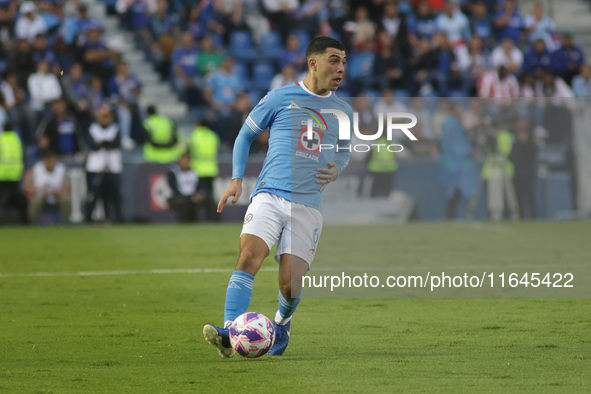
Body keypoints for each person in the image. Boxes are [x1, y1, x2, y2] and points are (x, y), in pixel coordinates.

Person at [203, 36, 351, 358]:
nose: (341, 68)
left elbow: (344, 149)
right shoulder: (280, 97)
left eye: (343, 62)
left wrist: (337, 167)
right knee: (249, 257)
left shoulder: (342, 110)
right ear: (313, 63)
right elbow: (245, 135)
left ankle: (282, 322)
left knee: (289, 283)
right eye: (334, 60)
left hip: (308, 204)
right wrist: (236, 179)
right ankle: (229, 333)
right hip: (269, 194)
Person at [84, 104, 123, 223]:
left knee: (114, 195)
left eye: (108, 116)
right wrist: (104, 143)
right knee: (93, 194)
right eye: (103, 116)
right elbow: (91, 145)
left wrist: (101, 143)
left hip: (112, 167)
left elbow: (115, 143)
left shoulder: (115, 128)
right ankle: (88, 218)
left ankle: (117, 218)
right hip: (95, 167)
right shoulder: (92, 129)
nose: (106, 118)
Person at [25, 150, 71, 223]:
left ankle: (64, 223)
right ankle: (33, 223)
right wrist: (40, 191)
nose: (52, 163)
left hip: (57, 195)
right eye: (49, 160)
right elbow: (27, 186)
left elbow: (67, 189)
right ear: (45, 160)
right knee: (36, 201)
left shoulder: (62, 169)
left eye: (54, 160)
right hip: (40, 195)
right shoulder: (36, 169)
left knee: (65, 200)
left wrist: (54, 192)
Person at [189, 119, 219, 221]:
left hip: (198, 169)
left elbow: (188, 150)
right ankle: (213, 217)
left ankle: (196, 218)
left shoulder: (194, 135)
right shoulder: (213, 136)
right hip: (211, 169)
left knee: (199, 195)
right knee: (210, 194)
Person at [0, 121, 28, 224]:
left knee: (2, 200)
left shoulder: (1, 139)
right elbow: (22, 157)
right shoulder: (17, 140)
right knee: (15, 198)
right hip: (15, 175)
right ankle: (23, 220)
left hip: (2, 175)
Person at [166, 152, 206, 223]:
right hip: (179, 196)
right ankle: (184, 221)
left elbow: (201, 185)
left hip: (193, 195)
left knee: (208, 198)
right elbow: (173, 187)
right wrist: (188, 197)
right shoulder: (174, 172)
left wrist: (199, 194)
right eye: (183, 161)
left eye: (187, 161)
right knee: (182, 202)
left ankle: (210, 221)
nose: (185, 163)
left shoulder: (195, 172)